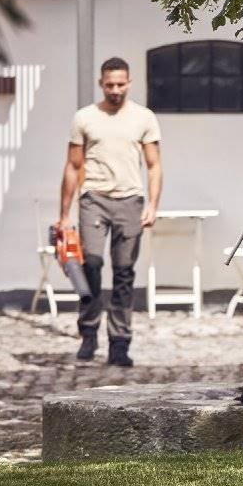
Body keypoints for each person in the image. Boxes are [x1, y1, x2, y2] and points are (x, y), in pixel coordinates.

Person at [59, 56, 162, 367]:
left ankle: (119, 343)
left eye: (120, 84)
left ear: (129, 83)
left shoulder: (144, 117)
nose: (115, 90)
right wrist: (64, 214)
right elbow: (72, 166)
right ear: (101, 84)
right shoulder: (84, 117)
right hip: (94, 198)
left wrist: (153, 205)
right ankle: (89, 333)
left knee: (124, 272)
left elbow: (154, 166)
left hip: (130, 200)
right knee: (91, 263)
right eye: (109, 85)